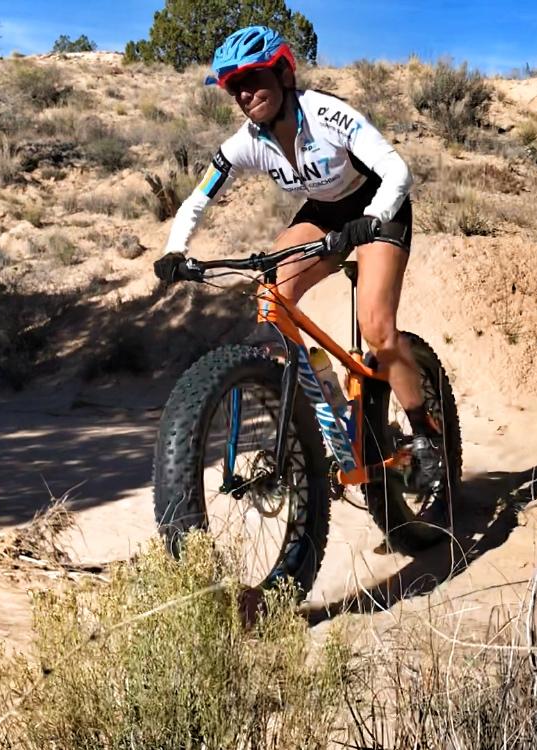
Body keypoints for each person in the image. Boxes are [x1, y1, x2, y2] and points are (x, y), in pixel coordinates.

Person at [153, 25, 442, 488]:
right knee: (271, 296)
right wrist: (174, 250)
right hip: (324, 213)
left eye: (254, 79)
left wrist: (374, 217)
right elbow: (198, 198)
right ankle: (327, 404)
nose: (245, 94)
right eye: (235, 87)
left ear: (284, 73)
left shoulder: (327, 114)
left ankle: (426, 433)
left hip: (376, 208)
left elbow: (396, 170)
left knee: (377, 328)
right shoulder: (245, 142)